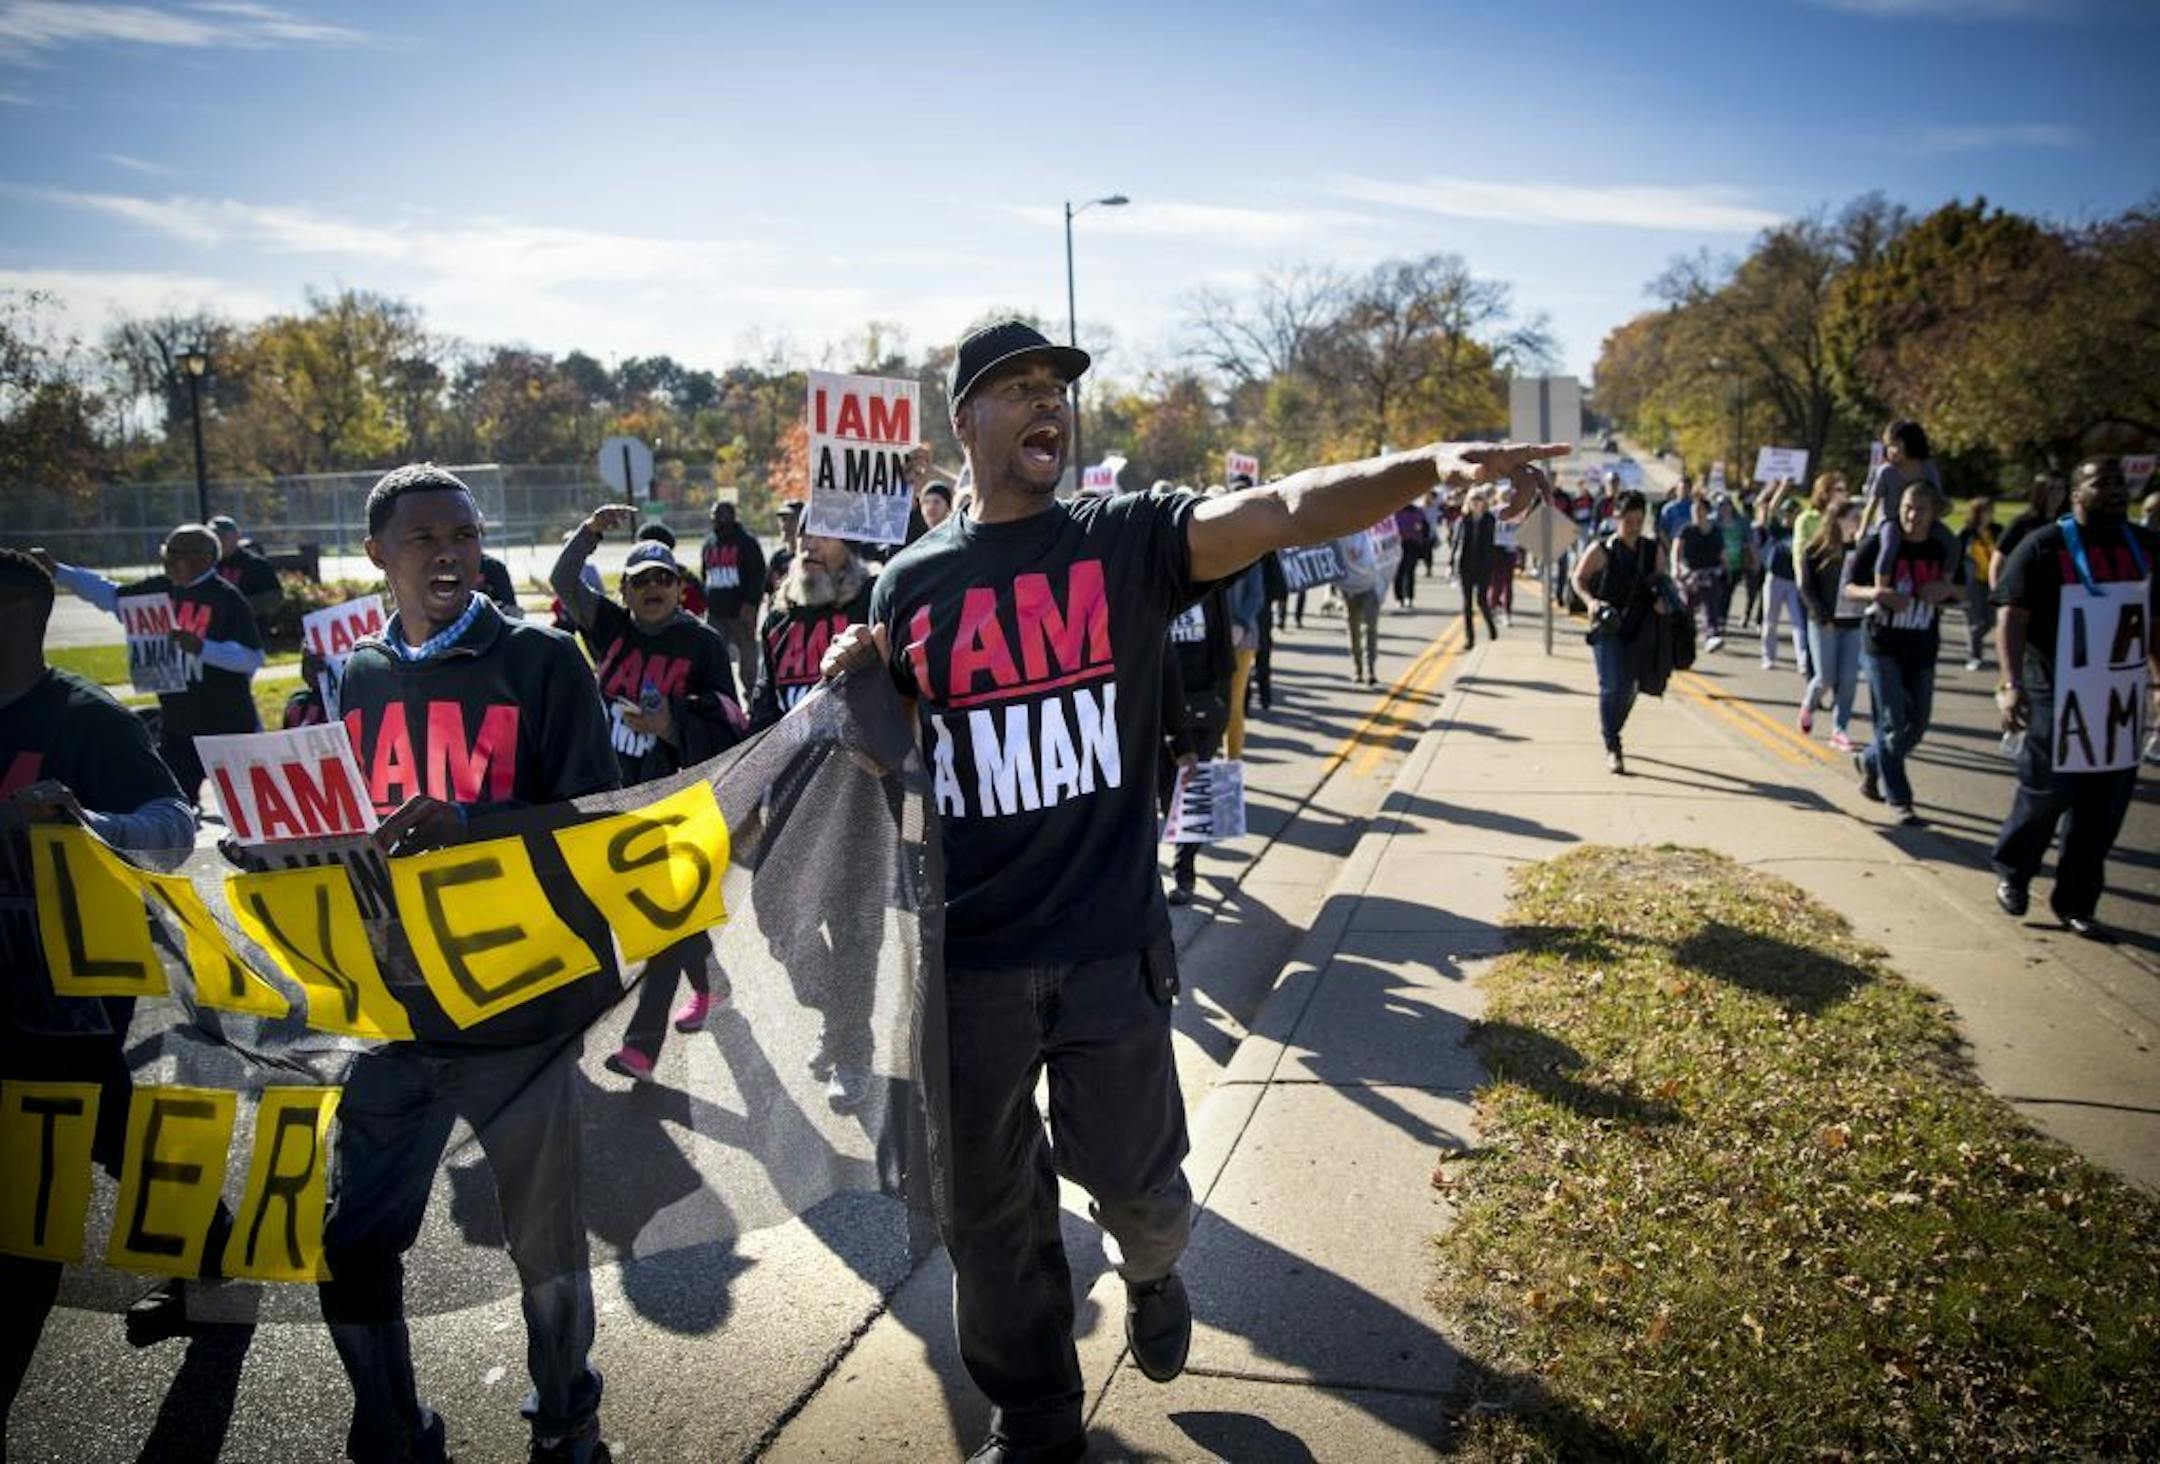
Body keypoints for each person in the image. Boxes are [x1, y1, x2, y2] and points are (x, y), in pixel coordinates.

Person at [819, 319, 1561, 1464]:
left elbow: (1286, 511)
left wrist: (1427, 466)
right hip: (971, 961)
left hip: (1111, 945)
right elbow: (898, 754)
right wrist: (859, 689)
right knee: (986, 1213)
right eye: (1015, 390)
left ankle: (1156, 1271)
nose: (1045, 405)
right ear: (962, 421)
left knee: (1137, 1186)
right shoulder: (911, 583)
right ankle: (1036, 1413)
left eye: (1056, 389)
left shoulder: (1125, 540)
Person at [322, 464, 618, 1464]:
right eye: (424, 539)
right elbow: (346, 826)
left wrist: (475, 825)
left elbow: (597, 820)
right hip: (397, 1013)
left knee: (545, 1246)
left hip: (518, 1010)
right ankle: (392, 1429)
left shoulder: (544, 661)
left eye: (464, 534)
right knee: (350, 1241)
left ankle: (565, 1414)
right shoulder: (354, 675)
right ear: (377, 556)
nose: (450, 553)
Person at [0, 548, 197, 1454]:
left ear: (17, 617)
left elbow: (173, 828)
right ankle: (214, 1244)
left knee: (33, 1205)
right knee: (113, 1130)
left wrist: (90, 822)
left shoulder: (85, 719)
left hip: (65, 997)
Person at [552, 505, 746, 1084]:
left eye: (665, 578)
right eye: (642, 581)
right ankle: (712, 983)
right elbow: (564, 582)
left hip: (676, 800)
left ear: (681, 589)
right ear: (626, 591)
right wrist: (589, 532)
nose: (655, 588)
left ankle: (642, 1044)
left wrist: (671, 726)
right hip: (613, 796)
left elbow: (732, 721)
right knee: (661, 911)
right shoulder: (609, 628)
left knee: (661, 915)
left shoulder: (703, 643)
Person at [1990, 457, 2157, 939]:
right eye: (2101, 483)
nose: (2115, 492)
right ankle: (2014, 874)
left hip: (2119, 701)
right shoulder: (2043, 546)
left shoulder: (2146, 548)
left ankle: (2076, 902)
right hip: (2054, 694)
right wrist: (2010, 683)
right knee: (2046, 794)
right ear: (2076, 493)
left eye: (2120, 483)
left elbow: (2156, 623)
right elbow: (2012, 618)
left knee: (2102, 808)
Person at [40, 524, 264, 805]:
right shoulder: (157, 589)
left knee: (245, 807)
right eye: (167, 552)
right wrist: (58, 571)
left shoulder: (226, 597)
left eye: (178, 553)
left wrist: (203, 648)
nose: (169, 559)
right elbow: (109, 595)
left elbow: (252, 658)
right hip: (178, 724)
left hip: (227, 726)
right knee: (175, 805)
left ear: (206, 557)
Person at [1846, 479, 1962, 825]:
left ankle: (1869, 761)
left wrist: (1946, 589)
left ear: (1932, 514)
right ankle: (1901, 801)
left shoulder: (1942, 548)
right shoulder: (1878, 543)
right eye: (1908, 508)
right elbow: (1849, 588)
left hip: (1923, 645)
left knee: (1918, 725)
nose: (1912, 515)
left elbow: (1967, 593)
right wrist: (1877, 595)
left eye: (1920, 509)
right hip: (1881, 644)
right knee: (1893, 720)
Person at [1571, 490, 1669, 774]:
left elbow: (1662, 582)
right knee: (1613, 684)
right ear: (1617, 517)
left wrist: (1664, 600)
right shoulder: (1602, 550)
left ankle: (1613, 728)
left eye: (1639, 521)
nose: (1634, 526)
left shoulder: (1652, 550)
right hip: (1608, 625)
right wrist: (1591, 603)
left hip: (1641, 627)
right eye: (1628, 520)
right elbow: (1578, 578)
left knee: (1632, 686)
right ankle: (1612, 742)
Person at [750, 530, 875, 730]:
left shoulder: (869, 604)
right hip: (793, 751)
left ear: (848, 550)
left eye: (823, 536)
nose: (810, 546)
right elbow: (765, 702)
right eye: (804, 536)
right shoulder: (778, 620)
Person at [1162, 577, 1233, 905]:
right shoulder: (1150, 589)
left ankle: (1185, 873)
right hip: (1159, 708)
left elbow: (1223, 654)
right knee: (1164, 794)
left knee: (1198, 787)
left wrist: (1224, 705)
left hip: (1205, 704)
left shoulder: (1212, 589)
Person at [1797, 496, 1865, 751]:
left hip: (1852, 623)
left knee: (1847, 679)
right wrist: (1821, 615)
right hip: (1824, 622)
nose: (1858, 521)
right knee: (1825, 677)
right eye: (1853, 517)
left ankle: (1840, 730)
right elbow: (1806, 587)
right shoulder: (1816, 551)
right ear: (1838, 520)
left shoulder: (1861, 550)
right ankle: (1808, 704)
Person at [699, 496, 767, 694]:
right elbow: (706, 574)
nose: (715, 520)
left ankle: (752, 700)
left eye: (720, 515)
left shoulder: (746, 542)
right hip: (715, 613)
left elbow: (758, 574)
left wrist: (751, 603)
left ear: (731, 517)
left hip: (740, 612)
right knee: (714, 658)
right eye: (713, 516)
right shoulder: (709, 543)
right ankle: (721, 697)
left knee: (747, 661)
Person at [1756, 482, 1808, 674]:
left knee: (1798, 622)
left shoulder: (1800, 532)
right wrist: (1783, 488)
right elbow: (1771, 508)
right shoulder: (1778, 530)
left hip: (1794, 581)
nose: (1787, 517)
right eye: (1786, 513)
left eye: (1791, 513)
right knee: (1770, 620)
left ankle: (1803, 661)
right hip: (1775, 578)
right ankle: (1768, 657)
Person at [1859, 418, 1942, 534]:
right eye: (1888, 446)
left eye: (1895, 445)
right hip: (1891, 522)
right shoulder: (1886, 472)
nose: (1891, 451)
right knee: (1890, 543)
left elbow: (1938, 499)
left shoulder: (1927, 470)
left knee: (1947, 540)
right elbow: (1873, 502)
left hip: (1920, 521)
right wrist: (1862, 530)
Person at [1222, 558, 1266, 756]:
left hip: (1242, 638)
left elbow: (1257, 595)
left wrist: (1240, 623)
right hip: (1211, 638)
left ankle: (1232, 761)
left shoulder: (1249, 555)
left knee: (1233, 704)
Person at [1674, 495, 1728, 652]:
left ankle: (1711, 636)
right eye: (1694, 511)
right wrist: (1676, 567)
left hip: (1711, 572)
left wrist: (1726, 568)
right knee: (1687, 607)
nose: (1696, 513)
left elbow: (1722, 552)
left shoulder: (1715, 531)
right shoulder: (1686, 530)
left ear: (1706, 512)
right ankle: (1685, 638)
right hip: (1691, 573)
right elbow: (1677, 549)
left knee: (1711, 606)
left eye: (1699, 510)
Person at [1994, 472, 2069, 582]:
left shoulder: (2067, 522)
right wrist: (1998, 595)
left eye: (2060, 489)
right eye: (2050, 489)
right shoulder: (2022, 522)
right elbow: (1998, 561)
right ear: (2039, 492)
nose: (2056, 494)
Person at [208, 514, 284, 622]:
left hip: (247, 631)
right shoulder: (205, 564)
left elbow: (274, 597)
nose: (218, 541)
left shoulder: (255, 564)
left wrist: (238, 608)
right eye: (214, 537)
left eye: (222, 536)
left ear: (236, 537)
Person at [1335, 523, 1385, 685]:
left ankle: (1371, 669)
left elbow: (1378, 556)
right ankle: (1358, 668)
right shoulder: (1338, 534)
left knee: (1370, 629)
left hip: (1368, 587)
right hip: (1348, 590)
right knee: (1353, 629)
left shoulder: (1368, 533)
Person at [1452, 486, 1501, 647]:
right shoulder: (1462, 520)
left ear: (1484, 502)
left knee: (1481, 600)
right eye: (1473, 499)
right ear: (1468, 502)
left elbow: (1492, 543)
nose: (1476, 502)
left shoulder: (1489, 519)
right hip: (1465, 565)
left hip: (1483, 566)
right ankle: (1469, 638)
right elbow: (1456, 543)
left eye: (1479, 499)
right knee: (1466, 604)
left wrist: (1493, 562)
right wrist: (1451, 563)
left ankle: (1491, 628)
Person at [1956, 495, 1998, 671]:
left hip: (1992, 581)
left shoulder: (1997, 531)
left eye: (1991, 511)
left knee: (1991, 620)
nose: (1990, 514)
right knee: (1975, 621)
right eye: (1986, 511)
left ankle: (1976, 646)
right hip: (1972, 583)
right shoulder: (1965, 533)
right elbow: (1956, 558)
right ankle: (1975, 655)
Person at [1391, 500, 1428, 608]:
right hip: (1397, 545)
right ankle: (1399, 598)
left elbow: (1425, 528)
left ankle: (1409, 597)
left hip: (1412, 545)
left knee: (1409, 571)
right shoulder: (1393, 511)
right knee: (1398, 571)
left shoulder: (1417, 511)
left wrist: (1421, 532)